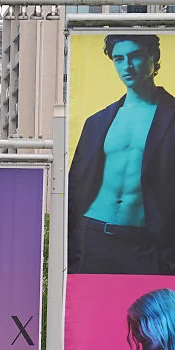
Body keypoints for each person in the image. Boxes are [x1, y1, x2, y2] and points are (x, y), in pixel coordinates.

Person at [68, 34, 175, 275]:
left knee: (149, 314)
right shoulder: (96, 121)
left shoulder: (172, 116)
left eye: (135, 56)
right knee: (89, 313)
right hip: (93, 238)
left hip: (147, 246)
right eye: (118, 59)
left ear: (154, 57)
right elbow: (75, 185)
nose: (126, 66)